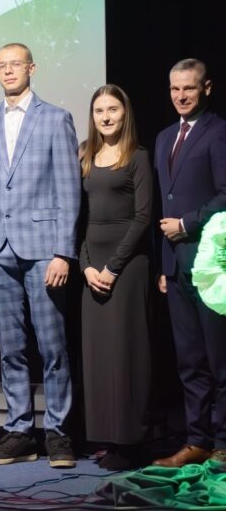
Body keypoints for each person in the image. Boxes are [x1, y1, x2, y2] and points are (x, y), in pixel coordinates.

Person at [0, 43, 80, 468]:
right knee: (9, 348)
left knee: (52, 346)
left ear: (31, 68)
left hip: (43, 248)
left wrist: (63, 252)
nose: (9, 71)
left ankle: (59, 432)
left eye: (15, 64)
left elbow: (68, 189)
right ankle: (19, 431)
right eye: (2, 66)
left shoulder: (55, 118)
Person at [151, 58, 226, 467]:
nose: (181, 96)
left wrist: (188, 224)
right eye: (175, 89)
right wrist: (164, 267)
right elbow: (164, 202)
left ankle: (223, 444)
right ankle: (197, 440)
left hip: (213, 267)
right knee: (189, 360)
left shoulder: (218, 132)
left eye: (189, 88)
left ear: (206, 88)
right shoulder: (165, 138)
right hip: (177, 268)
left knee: (220, 360)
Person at [77, 84, 152, 470]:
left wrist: (112, 267)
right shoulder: (85, 156)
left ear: (125, 113)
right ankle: (106, 437)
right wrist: (87, 266)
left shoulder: (138, 156)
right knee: (98, 356)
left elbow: (143, 217)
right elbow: (80, 218)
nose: (105, 117)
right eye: (99, 111)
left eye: (112, 110)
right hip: (93, 269)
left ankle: (130, 442)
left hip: (126, 268)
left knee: (126, 355)